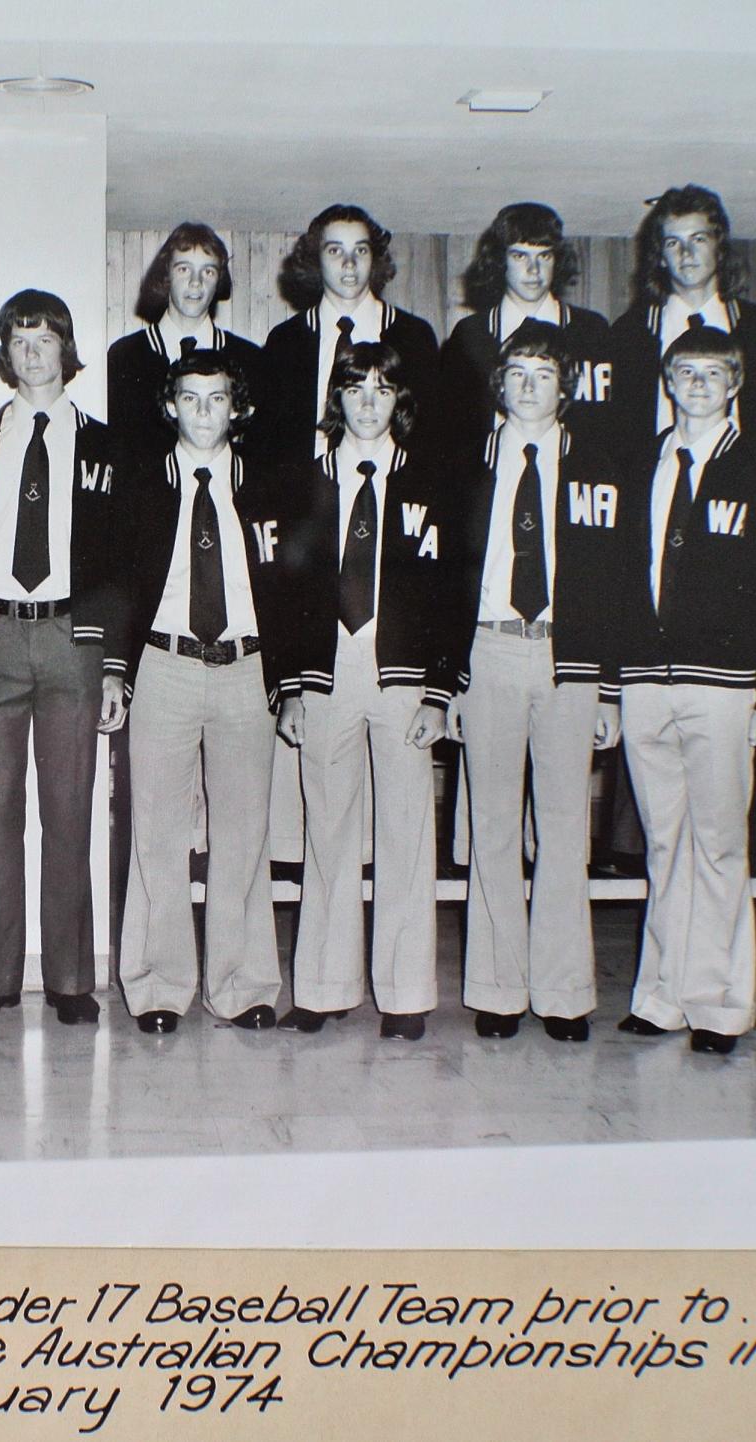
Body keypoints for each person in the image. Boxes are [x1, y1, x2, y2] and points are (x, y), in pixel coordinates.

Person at [614, 329, 756, 1054]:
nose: (697, 384)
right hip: (643, 682)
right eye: (685, 371)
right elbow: (618, 577)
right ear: (667, 379)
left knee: (719, 845)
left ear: (735, 383)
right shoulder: (642, 462)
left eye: (713, 373)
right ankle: (661, 996)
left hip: (724, 688)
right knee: (665, 844)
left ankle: (721, 1004)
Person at [0, 290, 120, 1026]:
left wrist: (113, 662)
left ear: (66, 347)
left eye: (45, 338)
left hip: (71, 636)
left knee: (70, 810)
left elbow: (121, 561)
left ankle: (72, 979)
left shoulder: (106, 446)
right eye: (19, 340)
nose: (32, 352)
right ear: (5, 354)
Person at [106, 350, 289, 1033]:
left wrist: (289, 678)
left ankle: (241, 986)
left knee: (243, 834)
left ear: (237, 407)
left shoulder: (269, 484)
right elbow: (117, 583)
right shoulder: (140, 484)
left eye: (217, 398)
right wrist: (113, 671)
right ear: (170, 405)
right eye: (191, 397)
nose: (204, 411)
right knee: (156, 833)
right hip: (166, 665)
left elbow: (292, 587)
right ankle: (157, 986)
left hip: (246, 668)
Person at [452, 320, 626, 1041]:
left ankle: (563, 993)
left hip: (568, 657)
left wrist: (609, 685)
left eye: (544, 374)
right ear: (501, 384)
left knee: (562, 830)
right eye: (517, 373)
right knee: (491, 824)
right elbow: (437, 576)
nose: (529, 386)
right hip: (489, 651)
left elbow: (623, 579)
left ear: (567, 387)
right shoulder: (467, 461)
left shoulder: (600, 466)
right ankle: (496, 989)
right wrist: (448, 675)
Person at [276, 342, 454, 1039]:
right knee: (328, 827)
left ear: (398, 401)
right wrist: (290, 685)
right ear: (337, 399)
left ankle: (406, 994)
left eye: (383, 388)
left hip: (402, 673)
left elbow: (450, 594)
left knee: (408, 830)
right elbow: (284, 592)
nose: (369, 401)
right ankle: (323, 988)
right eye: (355, 388)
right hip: (329, 667)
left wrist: (439, 690)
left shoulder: (431, 482)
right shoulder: (306, 482)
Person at [609, 184, 756, 467]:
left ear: (719, 246)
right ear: (661, 258)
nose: (686, 253)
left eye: (698, 239)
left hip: (743, 489)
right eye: (673, 243)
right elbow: (616, 437)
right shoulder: (632, 333)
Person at [259, 203, 439, 462]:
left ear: (374, 258)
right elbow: (270, 443)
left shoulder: (413, 335)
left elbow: (429, 435)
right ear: (315, 260)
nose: (349, 263)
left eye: (361, 250)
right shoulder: (286, 341)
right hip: (308, 497)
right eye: (335, 251)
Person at [440, 202, 612, 455]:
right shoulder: (471, 335)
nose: (534, 270)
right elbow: (451, 430)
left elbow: (607, 423)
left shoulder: (591, 331)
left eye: (544, 256)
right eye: (520, 256)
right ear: (500, 261)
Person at [107, 222, 263, 465]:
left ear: (218, 280)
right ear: (166, 275)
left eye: (208, 272)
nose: (196, 282)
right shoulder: (124, 356)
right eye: (183, 269)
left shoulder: (248, 358)